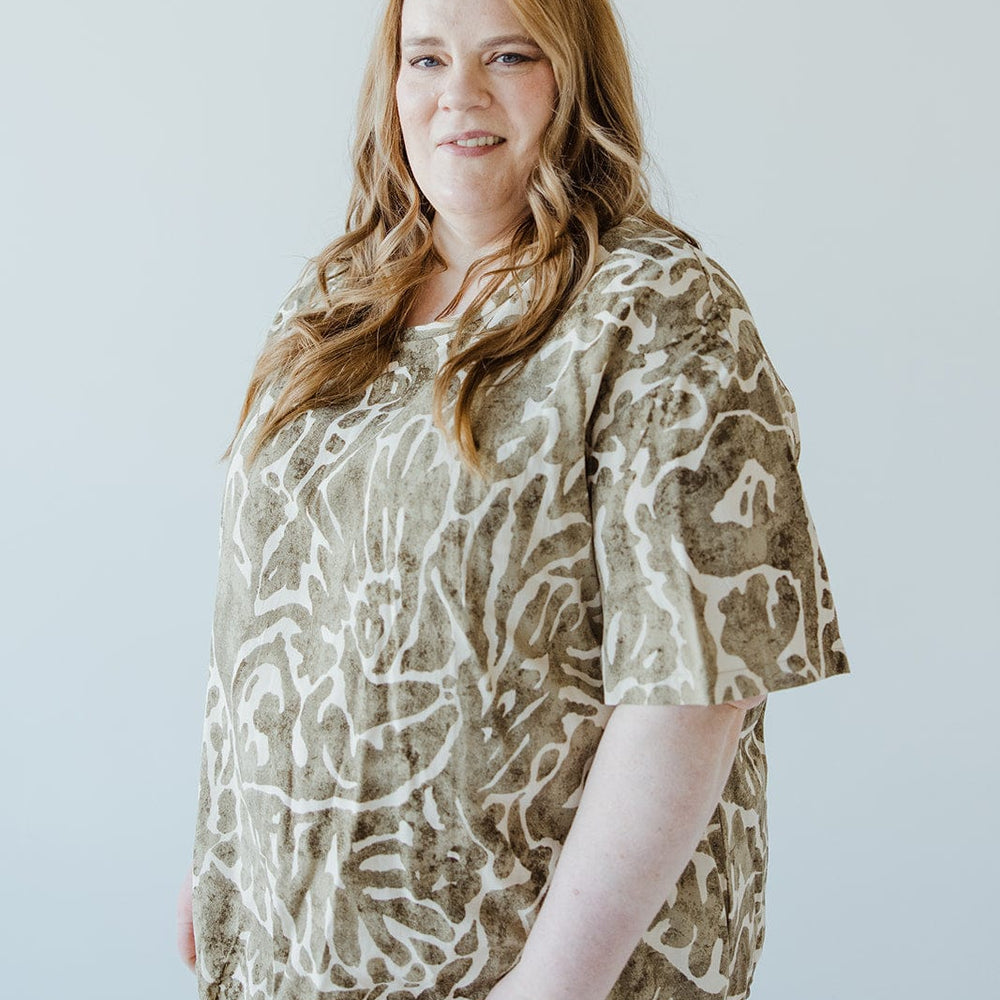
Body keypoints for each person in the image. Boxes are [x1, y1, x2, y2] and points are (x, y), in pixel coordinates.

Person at [178, 0, 849, 997]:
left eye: (507, 55)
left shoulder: (659, 313)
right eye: (426, 58)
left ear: (575, 75)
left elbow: (695, 690)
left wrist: (548, 988)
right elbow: (269, 619)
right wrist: (226, 856)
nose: (459, 96)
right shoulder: (338, 301)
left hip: (530, 967)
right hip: (296, 949)